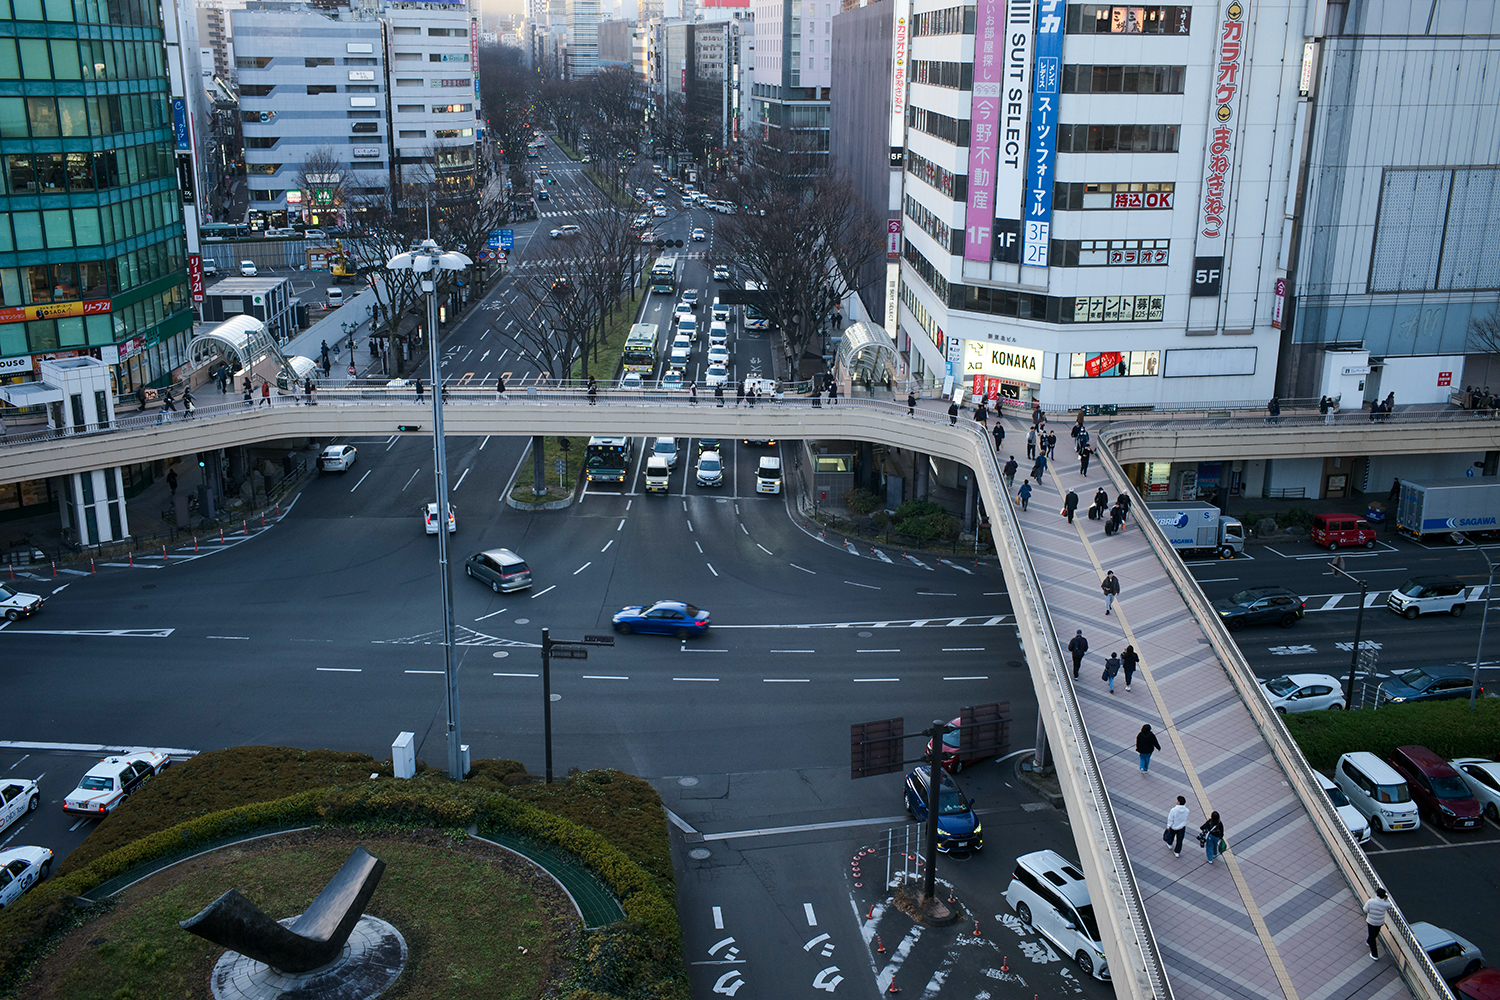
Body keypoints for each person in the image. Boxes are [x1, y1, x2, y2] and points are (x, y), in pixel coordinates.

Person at [1363, 888, 1392, 960]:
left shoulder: (1371, 902)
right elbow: (1389, 905)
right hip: (1380, 922)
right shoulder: (1386, 904)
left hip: (1371, 921)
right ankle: (1369, 941)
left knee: (1372, 936)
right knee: (1375, 934)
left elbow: (1365, 910)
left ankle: (1374, 954)